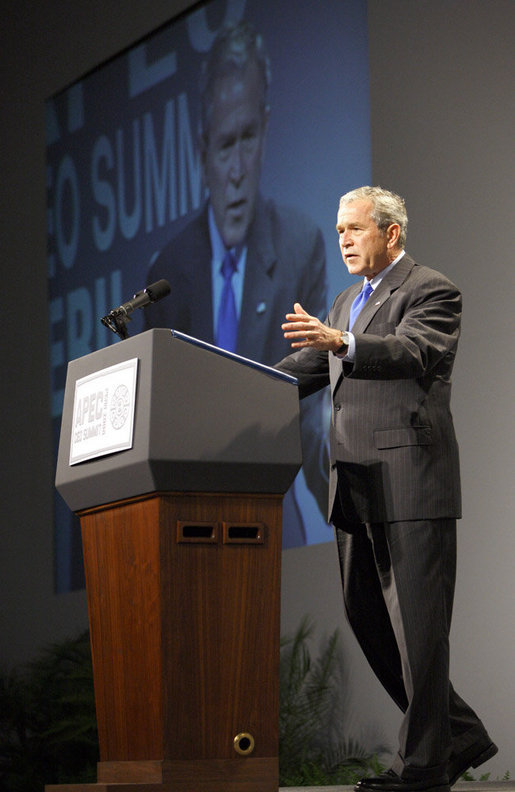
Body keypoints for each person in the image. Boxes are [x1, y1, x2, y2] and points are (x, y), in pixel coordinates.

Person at [276, 186, 497, 792]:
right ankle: (458, 734)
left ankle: (423, 766)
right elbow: (306, 372)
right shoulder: (348, 299)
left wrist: (342, 342)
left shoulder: (431, 289)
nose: (342, 239)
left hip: (410, 482)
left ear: (390, 232)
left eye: (353, 228)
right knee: (368, 619)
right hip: (354, 484)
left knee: (420, 630)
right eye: (339, 230)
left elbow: (412, 352)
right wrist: (237, 378)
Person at [145, 21, 329, 546]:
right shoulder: (167, 273)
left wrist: (350, 513)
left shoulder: (300, 246)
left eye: (248, 139)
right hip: (190, 512)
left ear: (267, 130)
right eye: (224, 146)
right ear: (202, 150)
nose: (236, 170)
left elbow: (312, 418)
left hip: (271, 497)